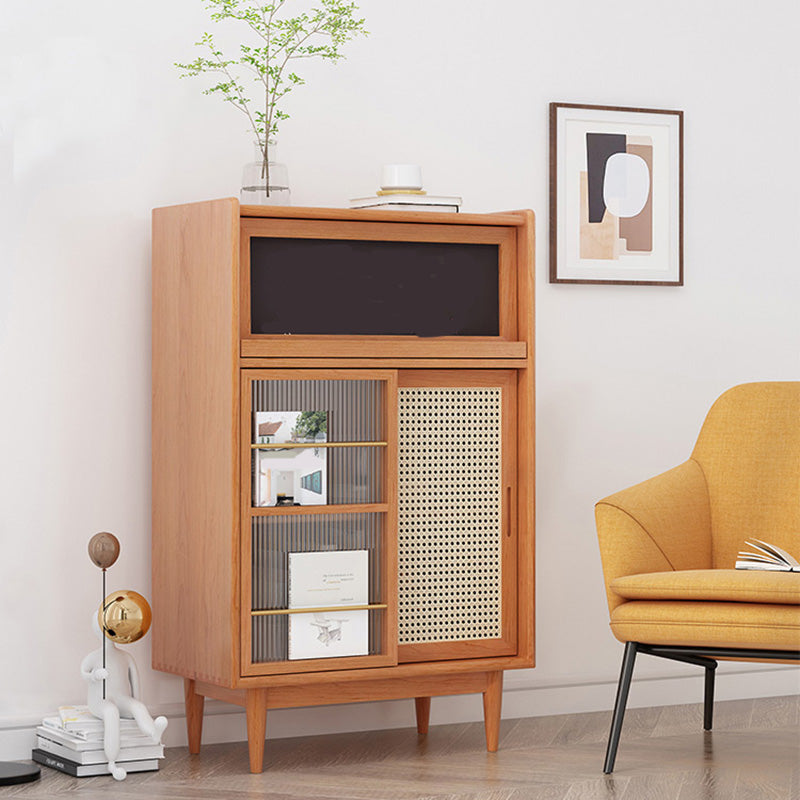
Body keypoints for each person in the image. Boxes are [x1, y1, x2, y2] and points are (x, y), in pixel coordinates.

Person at [80, 615, 167, 780]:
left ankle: (153, 732)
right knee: (111, 712)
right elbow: (83, 672)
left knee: (138, 707)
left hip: (121, 698)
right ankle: (112, 761)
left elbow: (135, 681)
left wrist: (137, 701)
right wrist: (94, 676)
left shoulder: (126, 657)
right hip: (100, 701)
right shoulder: (94, 656)